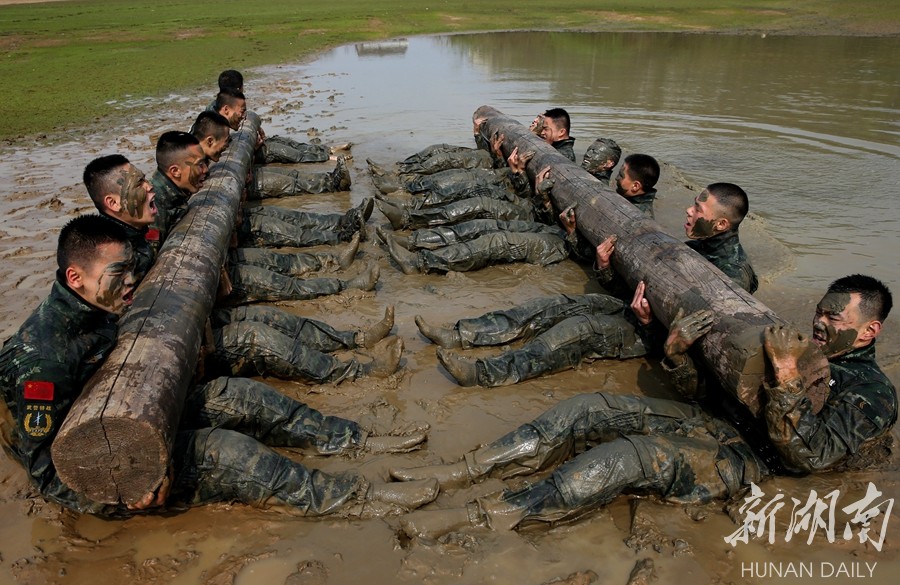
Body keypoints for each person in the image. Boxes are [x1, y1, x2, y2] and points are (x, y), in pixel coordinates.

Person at [392, 275, 896, 537]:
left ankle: (489, 515)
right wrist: (676, 354)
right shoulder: (796, 349)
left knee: (625, 458)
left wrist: (786, 379)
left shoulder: (873, 393)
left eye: (834, 316)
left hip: (755, 463)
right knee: (588, 408)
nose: (820, 321)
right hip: (717, 424)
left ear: (869, 329)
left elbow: (809, 458)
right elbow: (707, 395)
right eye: (820, 311)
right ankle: (463, 471)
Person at [0, 215, 437, 516]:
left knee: (238, 395)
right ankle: (349, 499)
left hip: (139, 415)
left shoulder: (97, 304)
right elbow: (47, 477)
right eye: (119, 272)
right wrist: (126, 494)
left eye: (131, 269)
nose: (131, 280)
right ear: (76, 278)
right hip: (110, 464)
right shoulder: (42, 359)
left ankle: (349, 440)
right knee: (224, 454)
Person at [214, 88, 351, 198]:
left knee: (291, 175)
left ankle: (332, 178)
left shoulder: (224, 129)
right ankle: (334, 185)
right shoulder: (212, 134)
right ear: (226, 109)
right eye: (242, 112)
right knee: (289, 183)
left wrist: (252, 152)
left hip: (244, 176)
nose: (245, 117)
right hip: (237, 188)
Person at [213, 69, 350, 165]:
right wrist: (252, 147)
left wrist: (257, 129)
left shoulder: (229, 103)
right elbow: (229, 149)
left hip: (251, 143)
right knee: (285, 152)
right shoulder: (217, 116)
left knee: (284, 141)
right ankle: (327, 157)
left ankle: (326, 149)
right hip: (247, 153)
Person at [82, 155, 158, 282]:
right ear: (114, 203)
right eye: (138, 184)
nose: (149, 186)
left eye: (144, 179)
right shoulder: (111, 256)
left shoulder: (135, 231)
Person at [148, 131, 209, 254]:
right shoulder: (154, 208)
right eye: (199, 164)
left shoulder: (176, 191)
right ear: (175, 171)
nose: (206, 170)